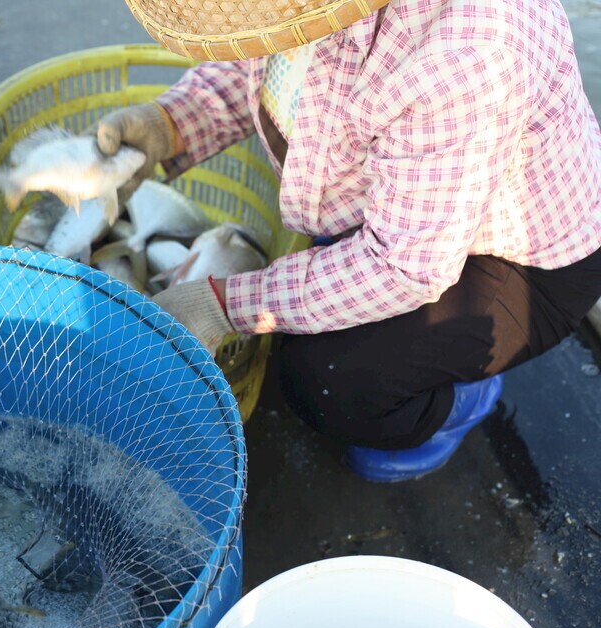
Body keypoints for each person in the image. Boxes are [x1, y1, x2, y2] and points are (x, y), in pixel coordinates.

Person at [96, 0, 601, 481]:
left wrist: (222, 305)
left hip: (517, 259)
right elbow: (261, 58)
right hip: (406, 211)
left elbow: (401, 266)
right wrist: (170, 124)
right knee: (314, 317)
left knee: (325, 381)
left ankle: (463, 399)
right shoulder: (295, 18)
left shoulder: (467, 50)